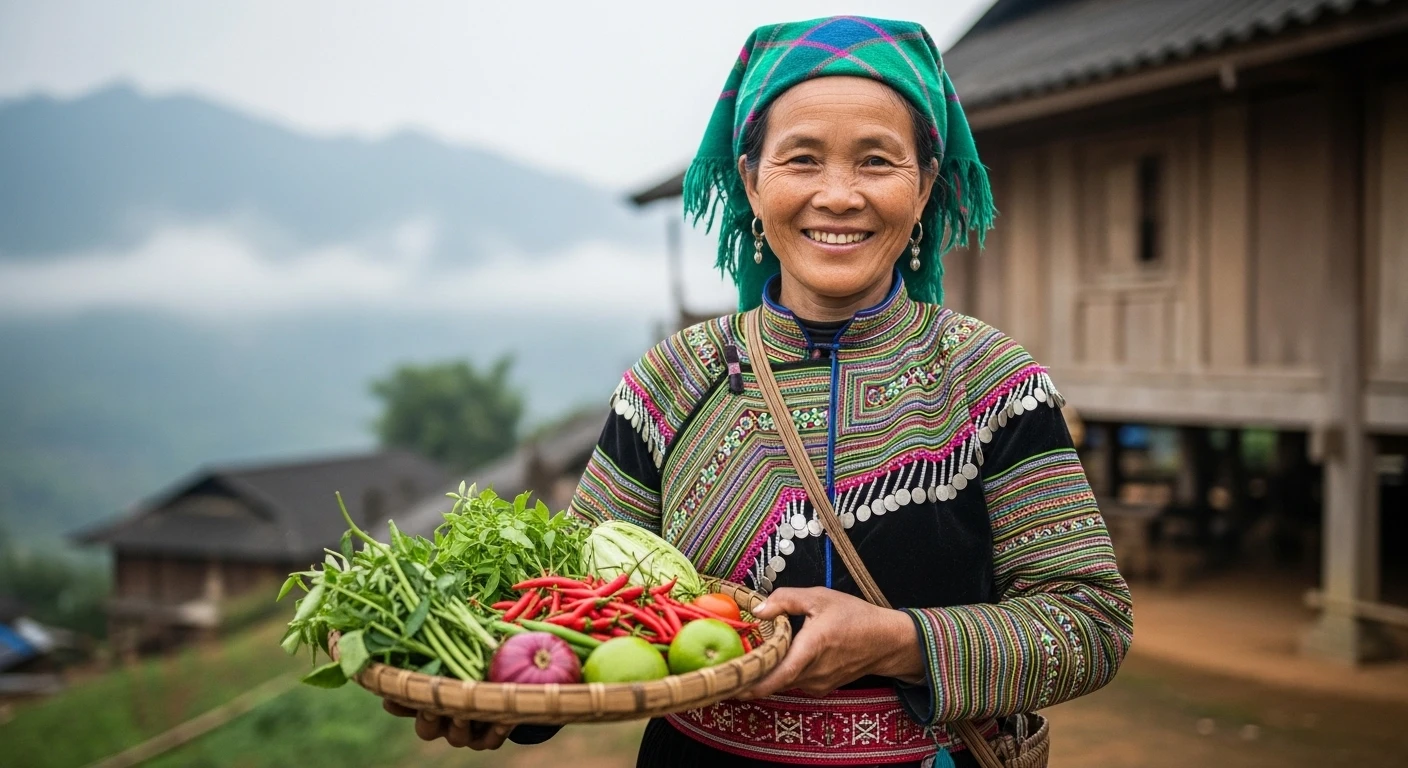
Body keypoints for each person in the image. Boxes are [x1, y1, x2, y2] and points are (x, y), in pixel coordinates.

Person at [386, 16, 1133, 767]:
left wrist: (901, 643)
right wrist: (502, 700)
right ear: (751, 181)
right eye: (801, 159)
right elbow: (578, 606)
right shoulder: (669, 384)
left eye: (877, 161)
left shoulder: (990, 379)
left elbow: (1089, 621)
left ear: (925, 184)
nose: (838, 196)